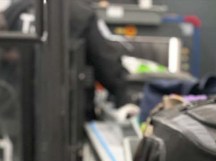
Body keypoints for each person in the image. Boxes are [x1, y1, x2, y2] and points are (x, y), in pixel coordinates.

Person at [2, 0, 131, 119]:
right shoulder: (81, 13)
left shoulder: (14, 10)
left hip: (15, 117)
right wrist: (124, 99)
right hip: (65, 119)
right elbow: (107, 64)